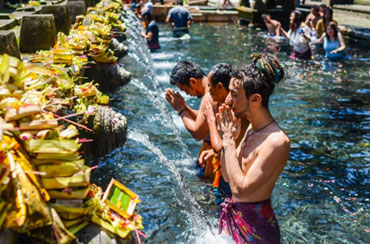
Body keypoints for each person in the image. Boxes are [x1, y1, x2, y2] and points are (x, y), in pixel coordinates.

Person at [217, 53, 290, 244]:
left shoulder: (277, 141)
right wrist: (229, 141)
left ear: (255, 99)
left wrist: (227, 141)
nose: (227, 100)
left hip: (257, 234)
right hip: (234, 219)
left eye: (234, 94)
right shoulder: (250, 129)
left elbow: (242, 191)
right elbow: (227, 176)